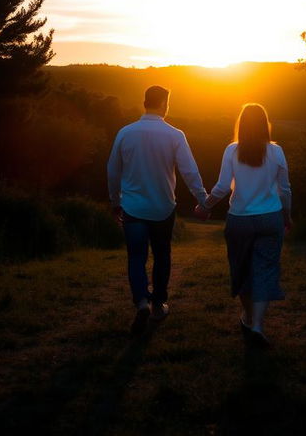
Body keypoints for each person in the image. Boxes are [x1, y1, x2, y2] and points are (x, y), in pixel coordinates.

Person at [107, 85, 208, 335]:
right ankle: (158, 304)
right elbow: (189, 171)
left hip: (132, 207)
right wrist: (203, 200)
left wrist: (114, 201)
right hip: (163, 207)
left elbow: (112, 170)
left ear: (144, 102)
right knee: (162, 256)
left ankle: (141, 300)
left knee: (136, 258)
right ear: (164, 103)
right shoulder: (175, 135)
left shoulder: (125, 133)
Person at [196, 102, 292, 347]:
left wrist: (205, 206)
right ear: (265, 124)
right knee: (265, 270)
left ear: (241, 124)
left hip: (239, 220)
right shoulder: (276, 151)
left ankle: (249, 318)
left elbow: (221, 187)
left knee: (241, 270)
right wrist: (287, 216)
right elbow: (284, 190)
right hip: (270, 218)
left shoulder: (232, 150)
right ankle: (257, 325)